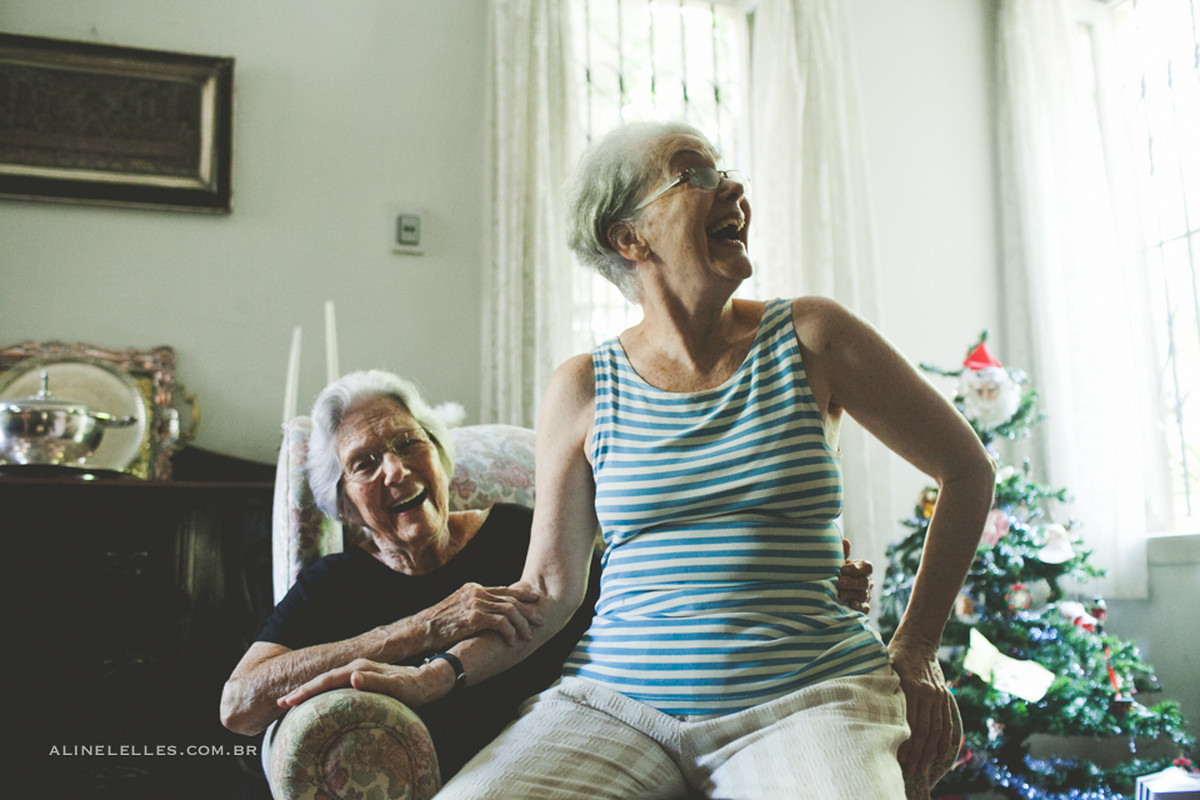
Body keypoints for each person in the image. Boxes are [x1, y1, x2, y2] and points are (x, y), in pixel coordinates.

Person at [280, 121, 993, 800]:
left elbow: (966, 471)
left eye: (730, 173)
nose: (733, 190)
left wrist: (917, 644)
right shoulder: (583, 386)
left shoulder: (810, 335)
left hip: (806, 694)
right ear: (629, 237)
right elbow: (549, 592)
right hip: (615, 705)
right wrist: (431, 678)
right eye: (696, 175)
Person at [222, 368, 875, 780]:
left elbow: (660, 591)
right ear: (343, 504)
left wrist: (804, 578)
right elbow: (239, 707)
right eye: (365, 463)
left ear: (442, 456)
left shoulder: (526, 536)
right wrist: (421, 628)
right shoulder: (335, 586)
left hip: (595, 755)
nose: (394, 469)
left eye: (407, 442)